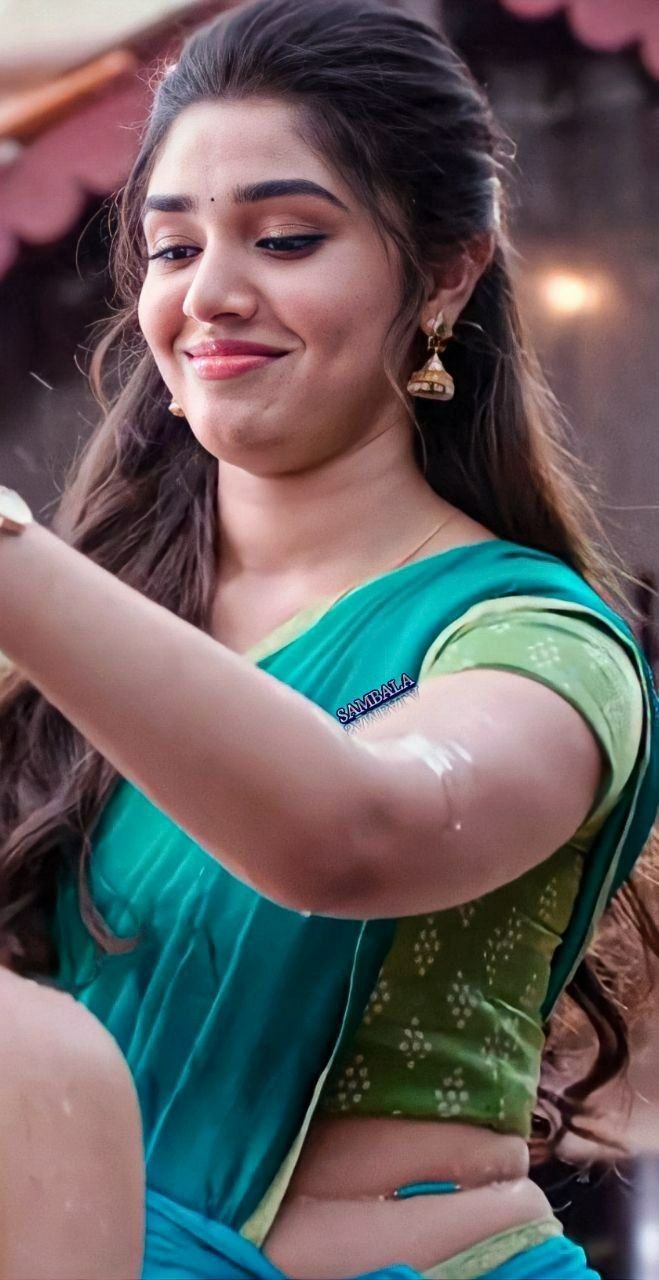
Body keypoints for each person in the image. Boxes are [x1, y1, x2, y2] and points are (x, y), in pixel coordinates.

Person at [0, 1, 657, 1277]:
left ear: (447, 271)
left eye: (286, 237)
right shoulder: (69, 636)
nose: (211, 295)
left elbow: (351, 829)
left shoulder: (534, 639)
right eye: (172, 246)